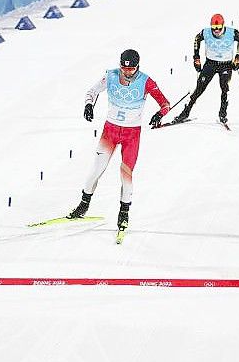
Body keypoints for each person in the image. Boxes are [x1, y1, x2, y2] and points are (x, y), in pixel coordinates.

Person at [67, 49, 171, 233]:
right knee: (96, 169)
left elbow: (165, 104)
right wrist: (89, 105)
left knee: (126, 175)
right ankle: (83, 205)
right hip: (111, 131)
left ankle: (124, 214)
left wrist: (159, 114)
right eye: (124, 68)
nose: (127, 72)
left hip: (132, 135)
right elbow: (92, 91)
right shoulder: (111, 75)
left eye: (132, 69)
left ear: (138, 66)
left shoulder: (146, 81)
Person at [173, 13, 239, 125]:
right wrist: (196, 58)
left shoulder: (232, 32)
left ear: (223, 26)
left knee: (225, 89)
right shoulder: (205, 32)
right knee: (199, 89)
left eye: (219, 28)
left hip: (226, 65)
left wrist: (238, 57)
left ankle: (222, 114)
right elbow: (197, 39)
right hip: (210, 64)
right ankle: (185, 113)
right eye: (214, 28)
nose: (216, 31)